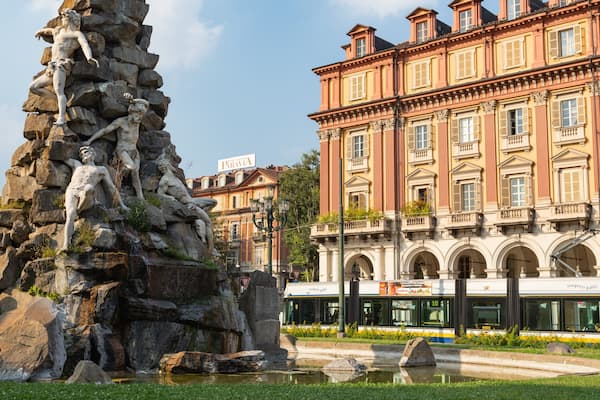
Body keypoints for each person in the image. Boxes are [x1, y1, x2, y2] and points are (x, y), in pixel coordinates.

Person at [29, 9, 99, 126]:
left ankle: (61, 117)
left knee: (59, 91)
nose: (62, 20)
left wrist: (89, 57)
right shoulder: (58, 31)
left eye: (64, 18)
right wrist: (40, 31)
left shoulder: (75, 34)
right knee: (33, 87)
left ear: (70, 19)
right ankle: (59, 101)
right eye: (62, 18)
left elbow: (84, 45)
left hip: (61, 65)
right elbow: (49, 31)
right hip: (51, 67)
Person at [61, 146, 129, 253]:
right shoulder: (76, 165)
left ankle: (79, 210)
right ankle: (66, 244)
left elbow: (111, 188)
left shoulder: (100, 170)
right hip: (72, 191)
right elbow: (62, 157)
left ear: (93, 154)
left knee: (89, 188)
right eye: (82, 153)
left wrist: (122, 205)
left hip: (86, 194)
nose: (83, 154)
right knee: (70, 215)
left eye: (86, 151)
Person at [83, 94, 149, 200]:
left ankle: (140, 197)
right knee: (131, 167)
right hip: (122, 150)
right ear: (132, 112)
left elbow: (147, 104)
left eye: (141, 116)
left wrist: (134, 100)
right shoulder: (121, 122)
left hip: (134, 151)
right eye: (138, 116)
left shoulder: (137, 122)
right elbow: (105, 131)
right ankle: (118, 184)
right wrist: (89, 140)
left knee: (135, 172)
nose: (139, 119)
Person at [156, 158, 215, 255]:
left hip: (193, 201)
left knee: (213, 202)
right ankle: (211, 249)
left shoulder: (176, 179)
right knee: (208, 222)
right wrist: (170, 198)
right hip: (187, 204)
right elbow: (159, 194)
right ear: (167, 166)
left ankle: (197, 218)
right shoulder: (165, 180)